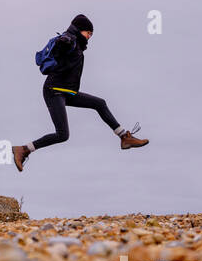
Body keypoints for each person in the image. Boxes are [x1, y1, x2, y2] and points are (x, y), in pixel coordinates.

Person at [12, 13, 148, 172]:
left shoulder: (76, 44)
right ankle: (23, 149)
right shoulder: (69, 40)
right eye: (88, 33)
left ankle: (124, 138)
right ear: (79, 29)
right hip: (54, 91)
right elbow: (61, 46)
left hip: (67, 91)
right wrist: (65, 41)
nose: (90, 37)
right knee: (62, 134)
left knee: (100, 103)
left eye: (91, 34)